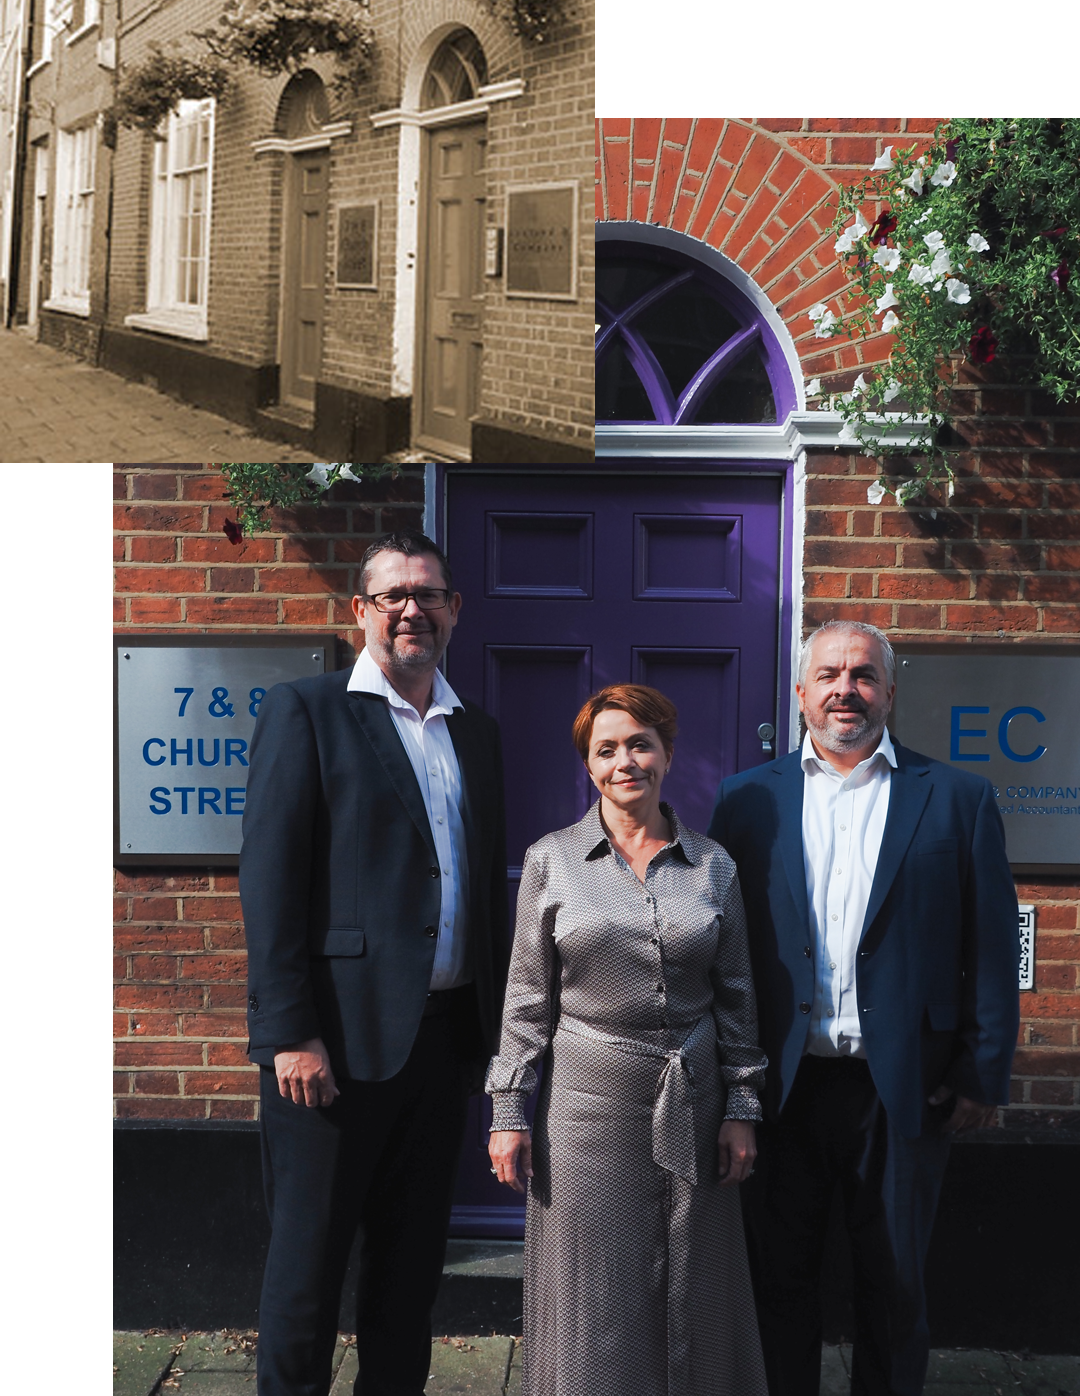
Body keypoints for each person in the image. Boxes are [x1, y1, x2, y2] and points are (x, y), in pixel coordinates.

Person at [708, 619, 1020, 1396]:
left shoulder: (958, 799)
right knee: (781, 1284)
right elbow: (719, 944)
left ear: (889, 690)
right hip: (783, 1086)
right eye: (830, 675)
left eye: (863, 675)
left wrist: (985, 1071)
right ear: (801, 692)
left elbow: (988, 944)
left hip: (902, 1086)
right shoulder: (745, 801)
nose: (846, 689)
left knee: (894, 1290)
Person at [239, 530, 509, 1396]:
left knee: (408, 1276)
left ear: (453, 610)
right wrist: (290, 1032)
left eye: (428, 593)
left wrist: (488, 1038)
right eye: (391, 594)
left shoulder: (477, 734)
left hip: (439, 1048)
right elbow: (271, 883)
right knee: (306, 1278)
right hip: (332, 1052)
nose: (411, 609)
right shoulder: (308, 711)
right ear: (360, 611)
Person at [487, 683, 768, 1396]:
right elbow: (525, 1000)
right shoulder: (551, 860)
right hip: (585, 1113)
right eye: (606, 748)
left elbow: (736, 995)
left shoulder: (713, 865)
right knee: (597, 1288)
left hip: (695, 1104)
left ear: (667, 753)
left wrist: (742, 1106)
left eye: (640, 743)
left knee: (692, 1278)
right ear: (588, 765)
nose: (625, 761)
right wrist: (510, 1111)